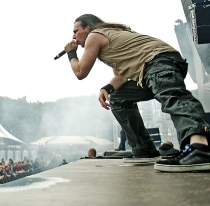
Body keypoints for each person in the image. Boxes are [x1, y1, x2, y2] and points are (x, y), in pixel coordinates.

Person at [63, 14, 210, 171]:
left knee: (173, 96)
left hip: (158, 62)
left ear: (87, 27)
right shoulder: (111, 37)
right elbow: (120, 77)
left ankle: (199, 147)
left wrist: (71, 53)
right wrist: (106, 88)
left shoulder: (95, 35)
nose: (74, 36)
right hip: (151, 69)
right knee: (119, 98)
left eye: (76, 31)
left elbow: (80, 72)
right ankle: (144, 149)